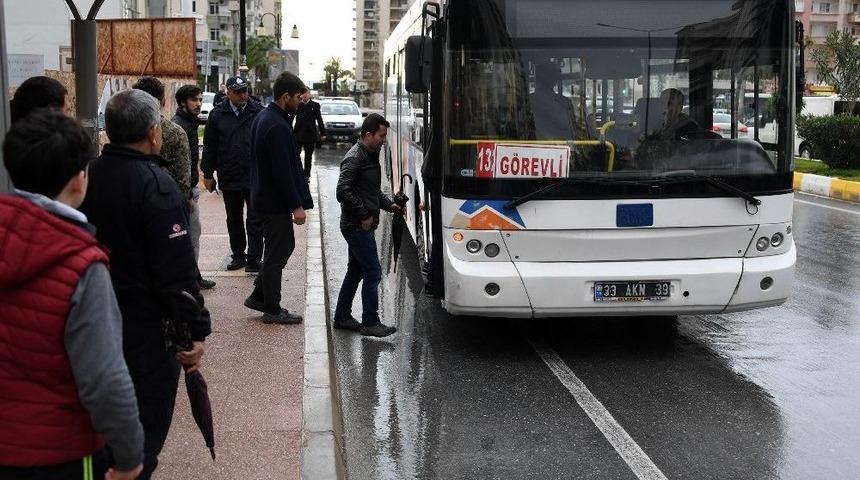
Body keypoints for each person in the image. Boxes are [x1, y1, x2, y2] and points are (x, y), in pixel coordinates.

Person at [0, 110, 143, 480]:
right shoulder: (81, 264)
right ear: (81, 180)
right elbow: (105, 378)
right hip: (58, 452)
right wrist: (129, 457)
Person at [80, 89, 211, 480]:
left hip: (92, 324)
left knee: (99, 437)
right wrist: (195, 331)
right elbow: (176, 272)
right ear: (154, 133)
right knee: (142, 441)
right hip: (145, 335)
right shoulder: (157, 185)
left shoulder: (87, 177)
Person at [245, 71, 313, 324]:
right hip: (273, 201)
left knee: (280, 247)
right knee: (277, 251)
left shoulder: (267, 117)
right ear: (286, 97)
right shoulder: (277, 125)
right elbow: (283, 171)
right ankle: (271, 308)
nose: (300, 102)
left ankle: (259, 296)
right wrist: (297, 206)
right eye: (297, 97)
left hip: (265, 197)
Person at [333, 113, 400, 338]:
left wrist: (389, 205)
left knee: (356, 271)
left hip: (360, 224)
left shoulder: (371, 154)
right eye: (381, 136)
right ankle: (370, 321)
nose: (384, 140)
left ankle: (342, 316)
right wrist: (363, 214)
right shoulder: (356, 158)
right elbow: (342, 191)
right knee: (372, 272)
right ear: (368, 135)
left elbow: (370, 191)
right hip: (356, 226)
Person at [201, 75, 264, 272]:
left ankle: (254, 258)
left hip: (254, 175)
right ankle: (238, 255)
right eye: (238, 92)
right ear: (227, 93)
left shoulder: (258, 112)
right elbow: (210, 146)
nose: (243, 95)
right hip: (229, 175)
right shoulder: (218, 114)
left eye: (245, 91)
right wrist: (208, 174)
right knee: (233, 217)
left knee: (255, 218)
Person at [173, 83, 217, 290]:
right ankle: (190, 278)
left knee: (193, 233)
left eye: (200, 100)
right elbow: (182, 162)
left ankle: (193, 275)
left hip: (189, 188)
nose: (199, 104)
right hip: (185, 191)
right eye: (194, 100)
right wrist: (188, 191)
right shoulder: (180, 125)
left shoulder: (189, 123)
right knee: (190, 234)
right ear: (182, 102)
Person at [133, 76, 192, 202]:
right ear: (163, 101)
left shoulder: (125, 128)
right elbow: (183, 183)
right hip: (166, 205)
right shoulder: (176, 132)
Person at [528, 60, 588, 140]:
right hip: (562, 148)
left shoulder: (526, 101)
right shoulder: (564, 103)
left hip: (527, 151)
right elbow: (571, 129)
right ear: (555, 80)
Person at [292, 88, 327, 179]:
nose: (305, 95)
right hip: (298, 134)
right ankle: (297, 173)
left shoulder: (315, 105)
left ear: (309, 94)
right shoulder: (298, 105)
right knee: (295, 154)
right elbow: (291, 117)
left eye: (307, 93)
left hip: (310, 135)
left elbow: (319, 120)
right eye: (303, 94)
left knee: (308, 156)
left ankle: (306, 175)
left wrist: (323, 133)